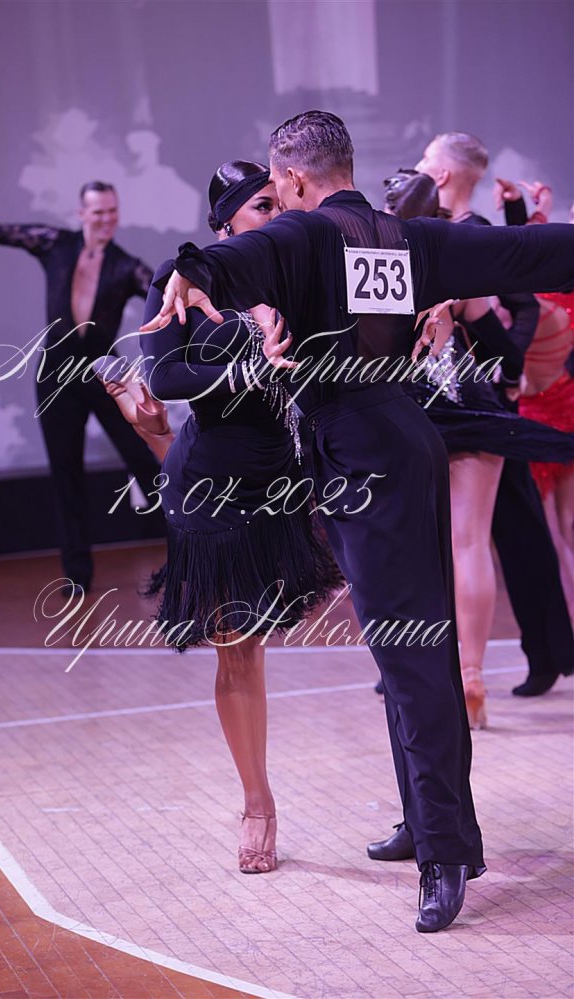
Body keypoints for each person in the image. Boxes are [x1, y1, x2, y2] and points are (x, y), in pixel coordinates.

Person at [142, 111, 574, 933]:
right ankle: (429, 819)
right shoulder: (403, 236)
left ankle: (445, 853)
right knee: (407, 649)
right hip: (398, 443)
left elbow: (239, 256)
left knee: (410, 654)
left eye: (277, 189)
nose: (277, 202)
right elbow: (524, 253)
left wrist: (191, 269)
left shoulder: (306, 233)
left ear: (294, 180)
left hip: (362, 456)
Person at [103, 161, 341, 874]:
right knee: (237, 647)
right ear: (224, 223)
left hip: (282, 485)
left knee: (260, 642)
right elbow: (167, 374)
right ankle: (258, 803)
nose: (274, 214)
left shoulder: (294, 272)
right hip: (211, 490)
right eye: (260, 206)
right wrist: (252, 368)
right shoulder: (184, 278)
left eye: (277, 201)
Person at [383, 169, 574, 728]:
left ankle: (428, 680)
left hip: (405, 418)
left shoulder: (373, 269)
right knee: (469, 545)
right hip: (470, 408)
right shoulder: (455, 266)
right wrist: (508, 383)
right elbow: (506, 351)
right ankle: (471, 677)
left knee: (416, 553)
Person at [0, 182, 160, 592]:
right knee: (66, 474)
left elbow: (164, 294)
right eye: (98, 212)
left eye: (112, 211)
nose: (106, 220)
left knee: (145, 462)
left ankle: (189, 552)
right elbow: (2, 232)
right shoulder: (55, 245)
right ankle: (77, 574)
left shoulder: (126, 266)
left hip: (104, 374)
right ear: (82, 214)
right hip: (56, 376)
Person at [495, 177, 574, 622]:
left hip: (545, 408)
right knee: (565, 529)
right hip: (559, 402)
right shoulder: (559, 281)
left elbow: (526, 264)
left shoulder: (550, 285)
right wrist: (532, 208)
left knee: (556, 531)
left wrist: (533, 210)